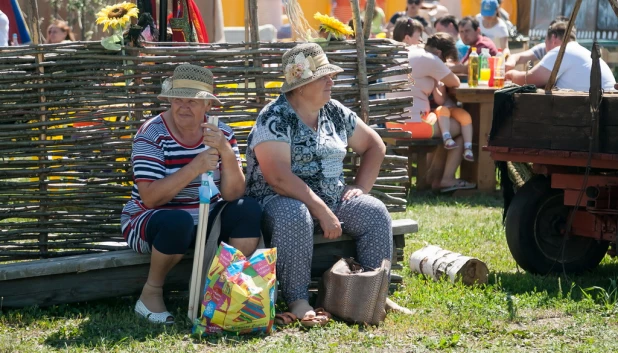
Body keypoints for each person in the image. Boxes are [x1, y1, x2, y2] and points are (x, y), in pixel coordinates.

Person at [245, 43, 393, 326]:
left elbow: (375, 146)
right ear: (300, 85)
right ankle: (299, 300)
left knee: (374, 211)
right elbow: (277, 177)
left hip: (332, 199)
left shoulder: (334, 111)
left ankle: (374, 295)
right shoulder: (274, 117)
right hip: (278, 203)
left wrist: (360, 188)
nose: (331, 81)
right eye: (323, 76)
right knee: (295, 213)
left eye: (330, 75)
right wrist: (321, 209)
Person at [121, 64, 262, 325]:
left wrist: (226, 151)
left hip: (205, 217)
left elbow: (233, 193)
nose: (183, 106)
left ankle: (221, 292)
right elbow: (150, 198)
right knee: (178, 222)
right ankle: (150, 294)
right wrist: (195, 167)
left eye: (192, 101)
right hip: (151, 219)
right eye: (177, 99)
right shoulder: (152, 133)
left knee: (248, 209)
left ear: (208, 105)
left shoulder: (222, 132)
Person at [388, 21, 476, 190]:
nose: (421, 40)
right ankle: (445, 179)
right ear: (439, 53)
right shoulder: (430, 58)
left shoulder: (402, 52)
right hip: (412, 124)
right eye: (445, 59)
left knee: (446, 130)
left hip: (392, 121)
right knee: (457, 129)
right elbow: (454, 81)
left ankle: (434, 178)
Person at [505, 21, 616, 92]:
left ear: (553, 38)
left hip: (593, 109)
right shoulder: (577, 50)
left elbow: (528, 80)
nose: (544, 47)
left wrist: (510, 74)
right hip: (605, 105)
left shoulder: (561, 51)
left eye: (545, 41)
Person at [505, 16, 572, 71]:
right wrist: (511, 62)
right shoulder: (544, 49)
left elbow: (531, 77)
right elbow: (519, 57)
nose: (545, 42)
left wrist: (513, 75)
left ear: (553, 38)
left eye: (546, 39)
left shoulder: (569, 56)